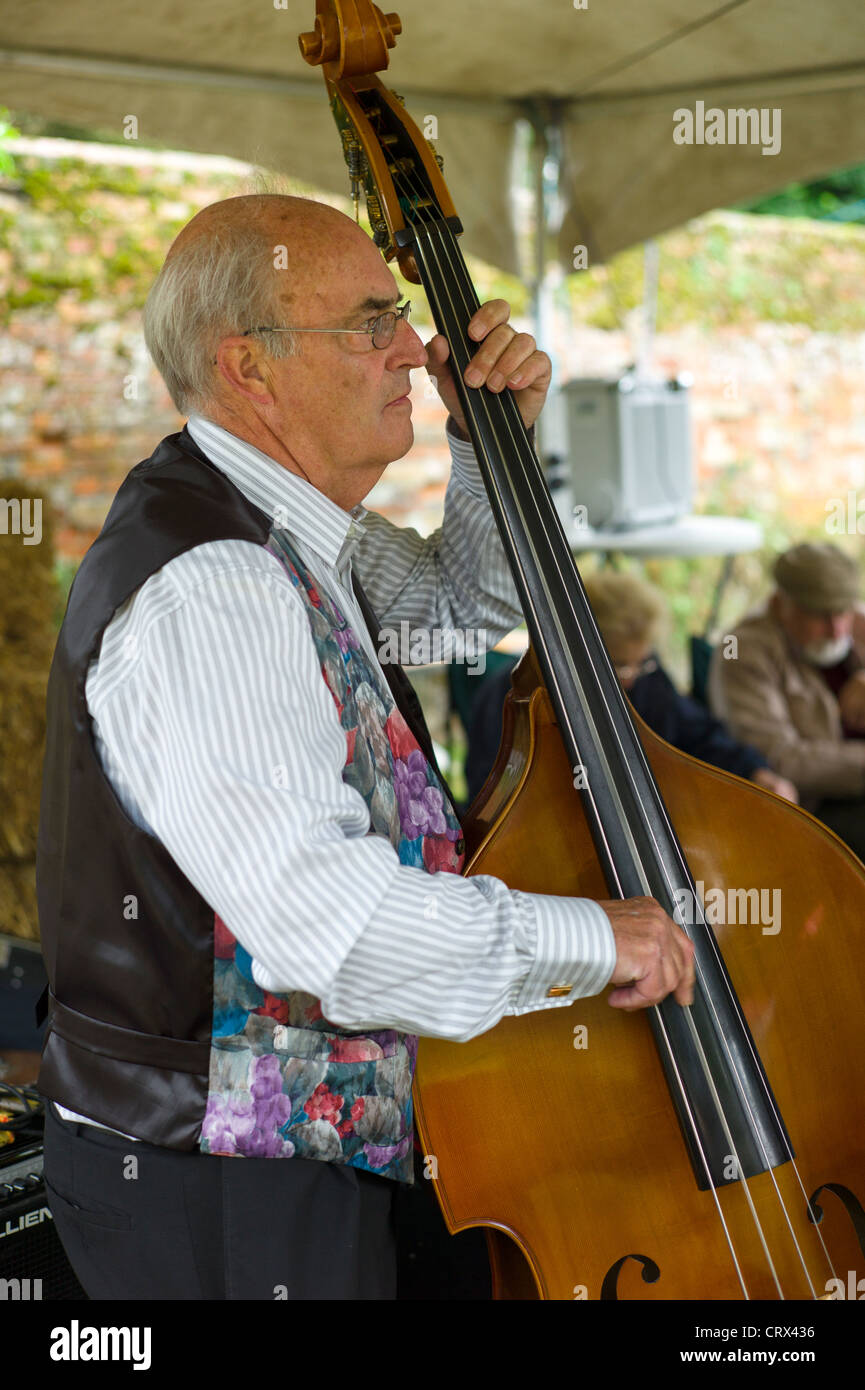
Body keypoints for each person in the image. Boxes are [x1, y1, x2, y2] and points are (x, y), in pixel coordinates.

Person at [36, 194, 694, 1302]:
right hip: (218, 1183)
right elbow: (327, 928)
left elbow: (456, 608)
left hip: (291, 1151)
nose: (413, 346)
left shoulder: (286, 526)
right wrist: (595, 938)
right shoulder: (217, 587)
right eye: (369, 323)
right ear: (250, 367)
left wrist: (489, 437)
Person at [465, 570, 797, 806]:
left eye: (642, 662)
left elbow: (698, 734)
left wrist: (752, 769)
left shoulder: (647, 677)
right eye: (621, 665)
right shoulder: (511, 698)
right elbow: (492, 790)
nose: (633, 677)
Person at [708, 541, 865, 859]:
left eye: (842, 613)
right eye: (820, 616)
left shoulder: (854, 618)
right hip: (814, 808)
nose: (837, 631)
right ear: (781, 603)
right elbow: (781, 758)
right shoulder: (742, 651)